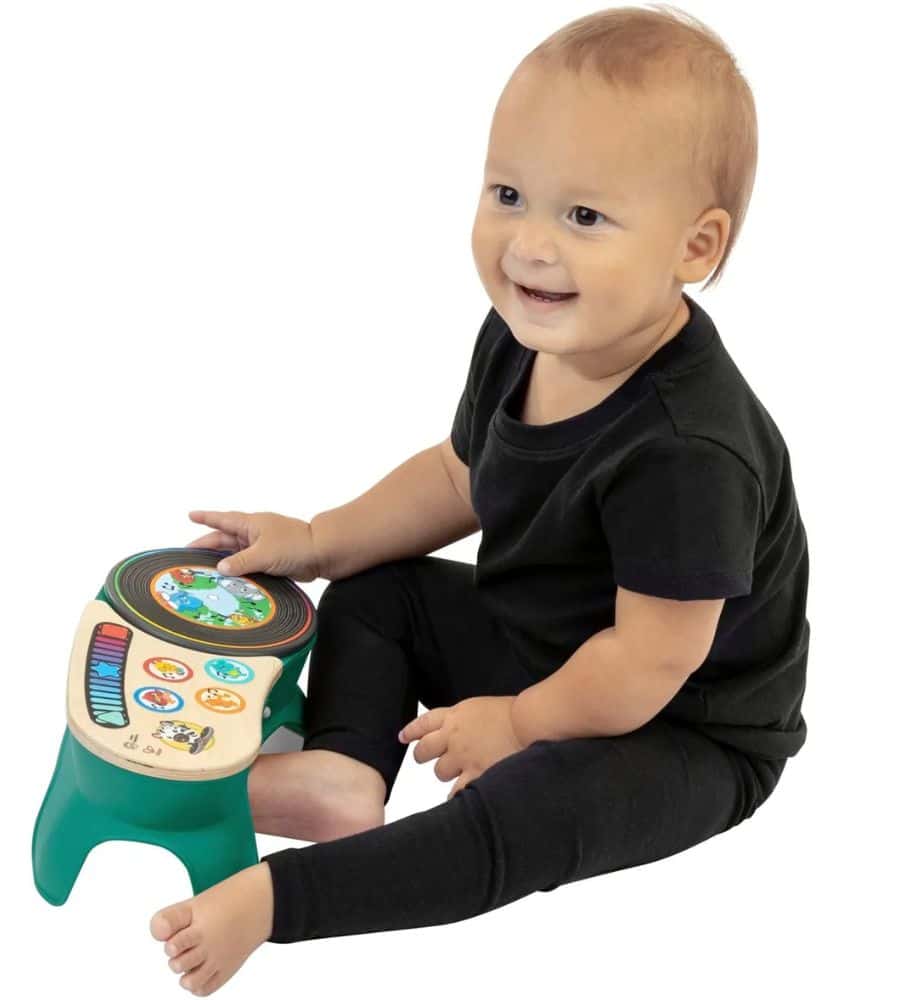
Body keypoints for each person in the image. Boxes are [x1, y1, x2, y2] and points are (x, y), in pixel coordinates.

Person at [149, 6, 810, 995]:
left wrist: (519, 722)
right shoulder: (525, 334)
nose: (529, 244)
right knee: (379, 591)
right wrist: (320, 539)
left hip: (682, 726)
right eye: (509, 194)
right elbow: (461, 476)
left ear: (693, 246)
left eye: (584, 217)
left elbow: (649, 661)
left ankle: (280, 902)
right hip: (546, 636)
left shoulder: (688, 451)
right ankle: (343, 773)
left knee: (532, 809)